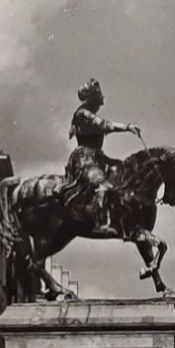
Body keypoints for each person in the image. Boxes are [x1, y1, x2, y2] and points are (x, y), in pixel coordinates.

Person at [63, 79, 140, 233]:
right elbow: (104, 125)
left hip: (97, 158)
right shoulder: (83, 114)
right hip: (84, 160)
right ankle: (100, 222)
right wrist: (127, 127)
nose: (101, 104)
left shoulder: (85, 113)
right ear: (92, 99)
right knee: (102, 185)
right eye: (98, 100)